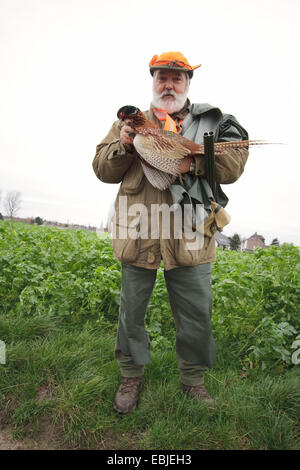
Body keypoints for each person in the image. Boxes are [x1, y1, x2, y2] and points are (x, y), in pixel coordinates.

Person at [92, 51, 249, 414]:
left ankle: (193, 382)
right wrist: (125, 146)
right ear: (153, 81)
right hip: (139, 231)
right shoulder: (131, 123)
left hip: (191, 232)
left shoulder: (209, 122)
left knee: (196, 314)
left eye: (177, 79)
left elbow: (234, 164)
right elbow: (101, 167)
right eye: (162, 77)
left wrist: (191, 159)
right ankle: (131, 376)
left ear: (188, 84)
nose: (169, 85)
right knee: (131, 313)